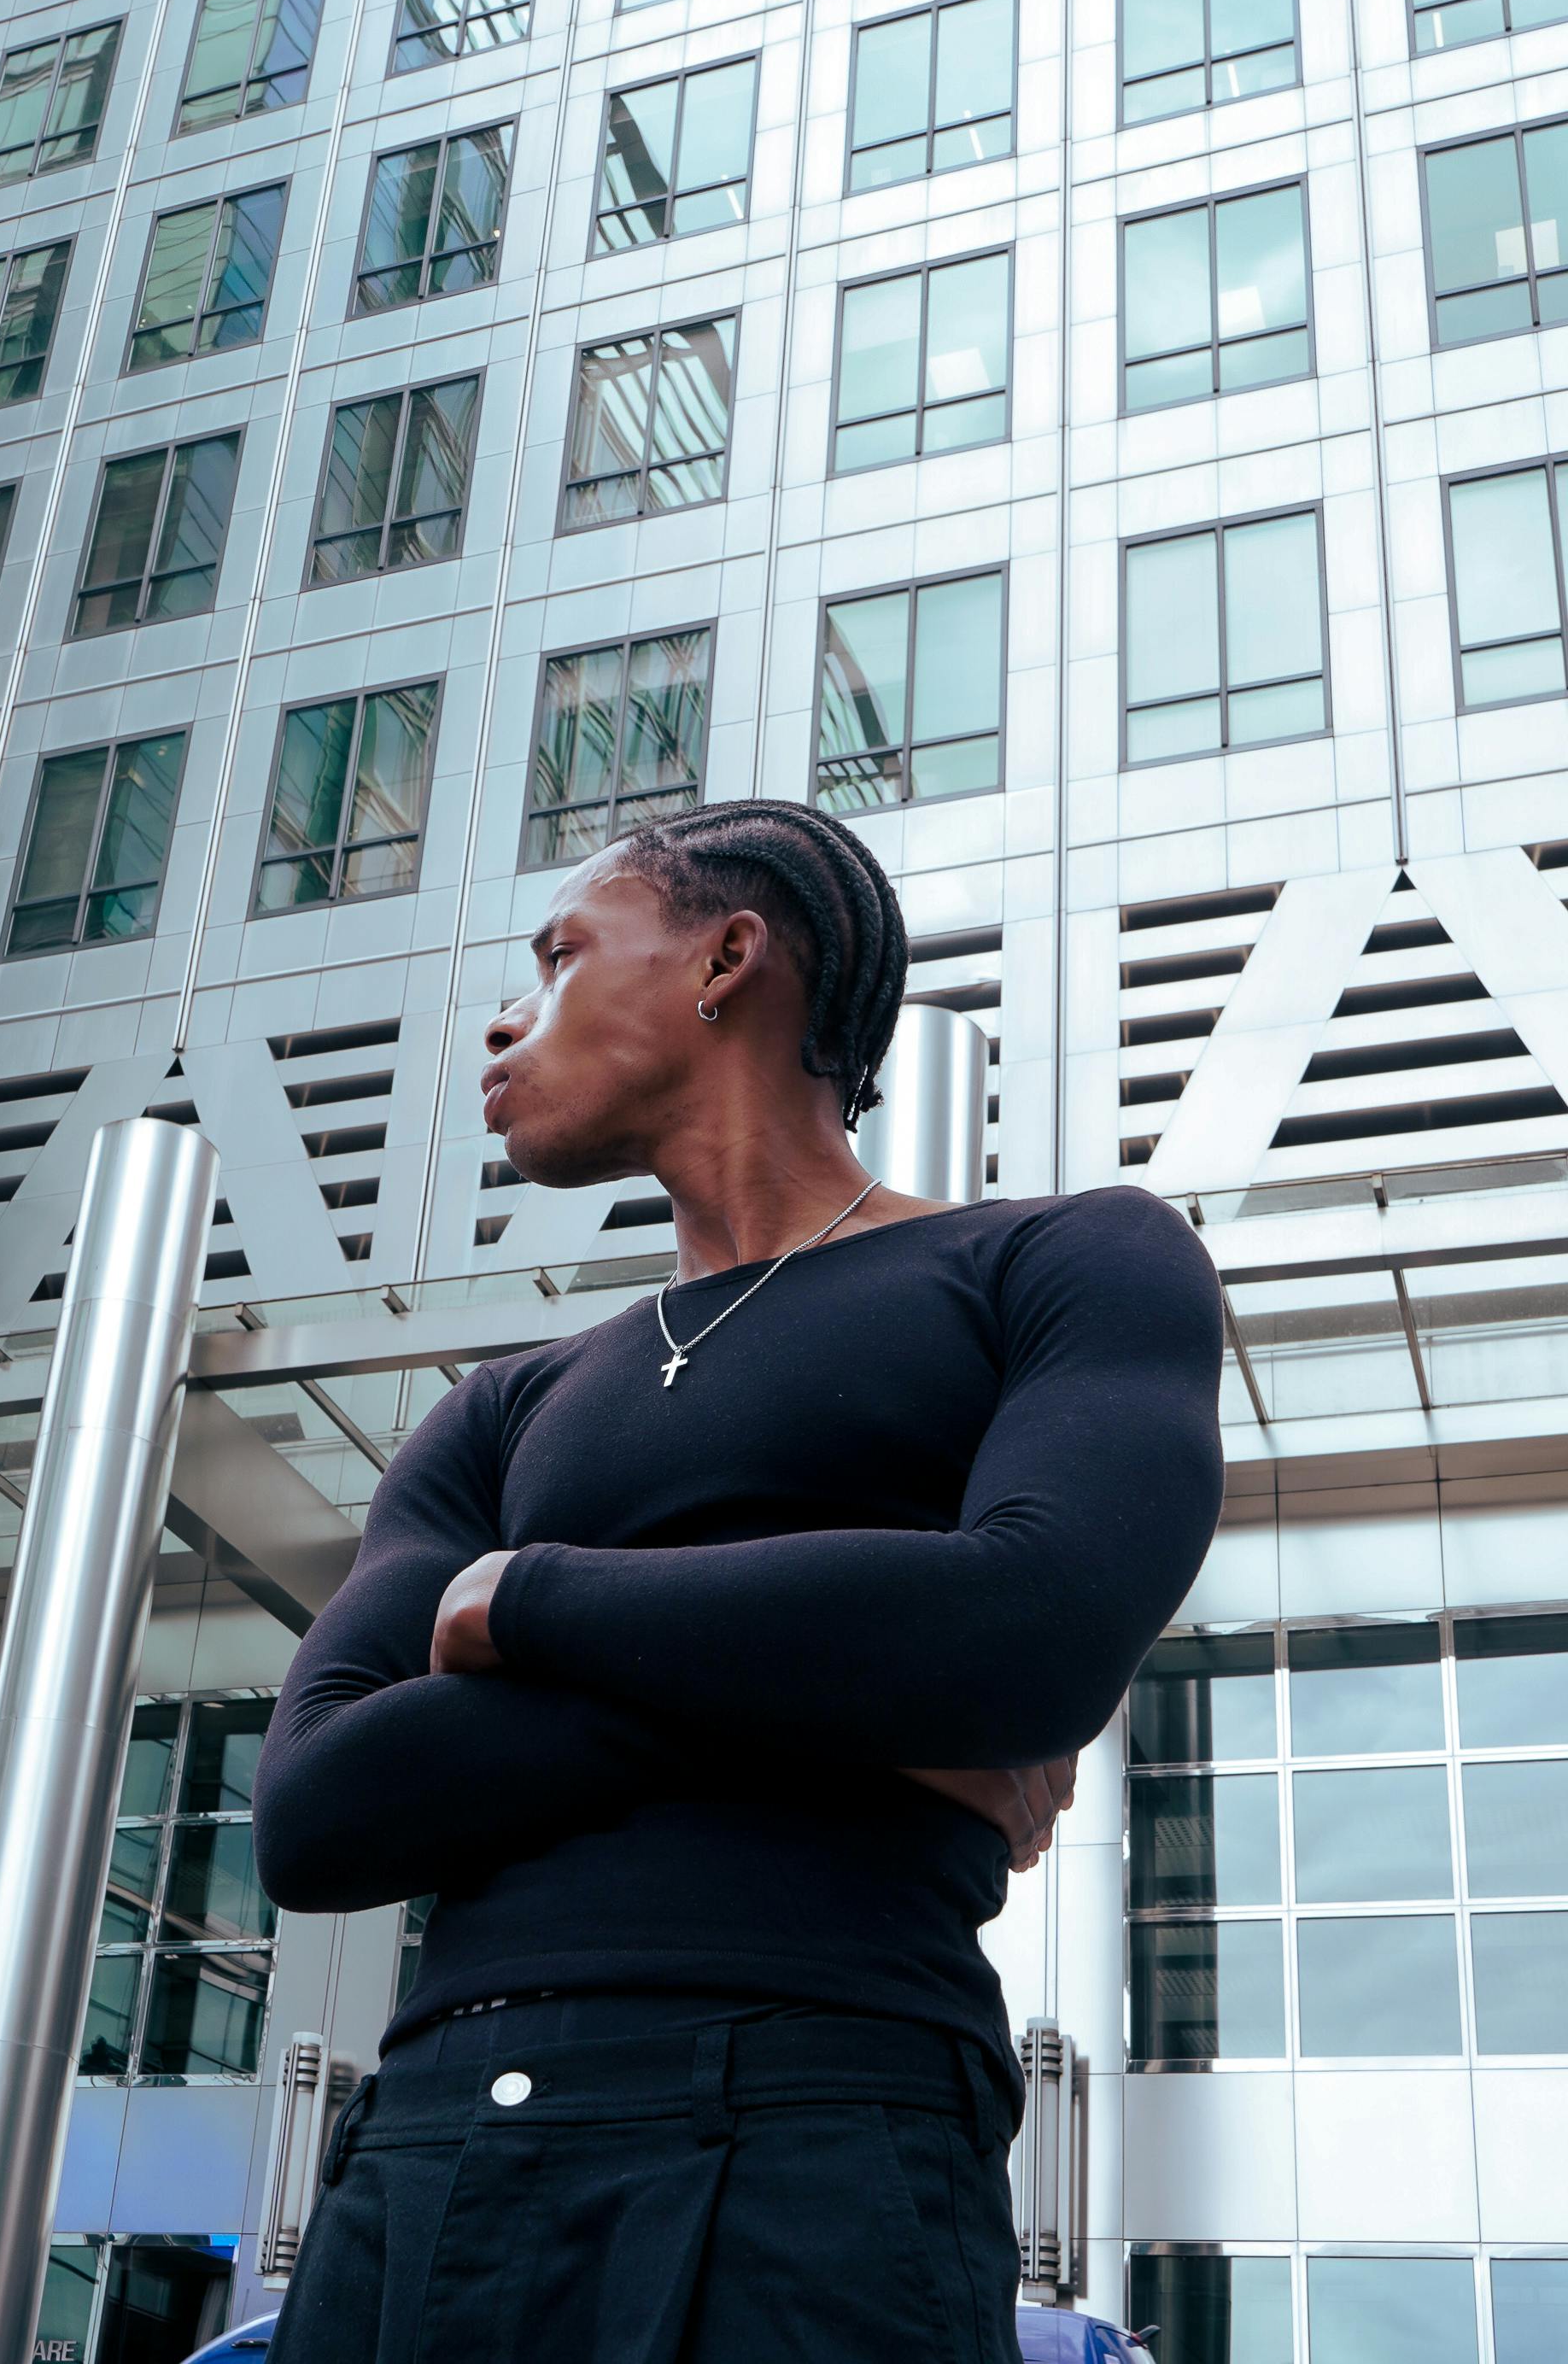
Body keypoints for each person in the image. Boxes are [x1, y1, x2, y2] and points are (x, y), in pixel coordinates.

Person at [251, 797, 1224, 2364]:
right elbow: (318, 1811)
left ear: (727, 959)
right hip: (431, 2140)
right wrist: (864, 1704)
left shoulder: (1063, 1262)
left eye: (561, 958)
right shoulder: (505, 1404)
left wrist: (523, 1603)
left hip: (824, 2123)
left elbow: (1029, 1631)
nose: (504, 1019)